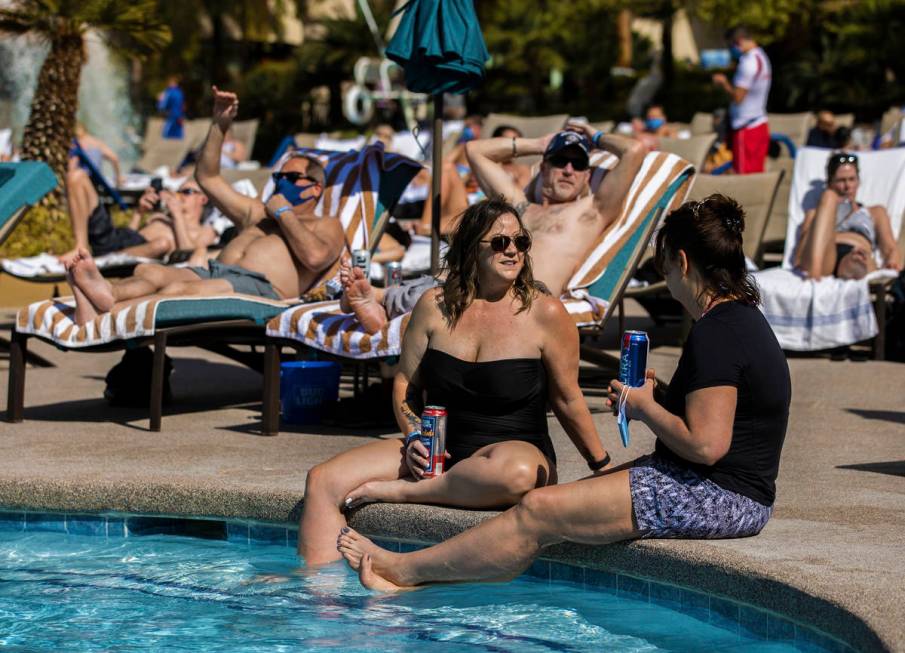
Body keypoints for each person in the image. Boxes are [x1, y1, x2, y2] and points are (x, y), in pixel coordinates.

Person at [335, 194, 793, 591]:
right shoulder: (740, 320)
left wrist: (644, 406)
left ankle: (402, 570)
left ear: (683, 263)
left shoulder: (717, 333)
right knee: (567, 501)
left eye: (664, 267)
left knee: (537, 509)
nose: (667, 280)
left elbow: (707, 445)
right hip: (715, 486)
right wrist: (664, 396)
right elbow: (723, 418)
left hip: (720, 497)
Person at [299, 198, 611, 566]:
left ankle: (404, 493)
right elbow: (404, 386)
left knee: (519, 475)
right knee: (322, 480)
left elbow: (567, 399)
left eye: (520, 242)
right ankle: (318, 601)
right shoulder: (435, 306)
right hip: (440, 450)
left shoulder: (544, 313)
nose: (512, 251)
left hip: (511, 454)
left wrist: (601, 466)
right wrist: (415, 434)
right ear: (470, 250)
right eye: (499, 243)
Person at [63, 86, 346, 326]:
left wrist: (284, 213)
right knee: (148, 272)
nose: (281, 181)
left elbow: (315, 257)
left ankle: (106, 317)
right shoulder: (257, 212)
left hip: (260, 290)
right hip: (215, 273)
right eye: (278, 176)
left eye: (291, 177)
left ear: (315, 188)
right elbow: (207, 177)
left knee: (179, 290)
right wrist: (220, 124)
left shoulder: (326, 225)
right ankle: (106, 293)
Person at [339, 123, 647, 333]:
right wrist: (539, 144)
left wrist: (593, 136)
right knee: (439, 282)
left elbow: (634, 151)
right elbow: (475, 151)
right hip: (472, 281)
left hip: (522, 294)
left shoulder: (590, 211)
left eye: (578, 164)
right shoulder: (522, 205)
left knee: (439, 296)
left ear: (586, 175)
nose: (568, 169)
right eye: (559, 160)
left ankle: (378, 305)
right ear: (544, 166)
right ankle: (375, 298)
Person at [61, 170, 216, 265]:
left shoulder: (206, 231)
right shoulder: (159, 217)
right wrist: (139, 212)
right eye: (178, 191)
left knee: (162, 244)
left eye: (186, 192)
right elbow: (129, 235)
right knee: (77, 177)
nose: (179, 195)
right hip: (114, 241)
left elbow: (187, 253)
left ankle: (100, 257)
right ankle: (79, 247)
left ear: (203, 199)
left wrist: (177, 215)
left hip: (123, 255)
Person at [795, 152, 901, 280]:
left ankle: (840, 273)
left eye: (852, 179)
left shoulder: (876, 212)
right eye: (841, 180)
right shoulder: (814, 214)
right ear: (830, 183)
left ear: (858, 181)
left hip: (859, 255)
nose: (847, 186)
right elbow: (800, 255)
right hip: (824, 257)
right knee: (829, 196)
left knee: (856, 263)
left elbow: (890, 248)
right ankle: (815, 276)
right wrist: (829, 211)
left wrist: (892, 263)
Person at [712, 26, 772, 174]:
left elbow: (738, 97)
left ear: (738, 41)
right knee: (756, 176)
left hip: (746, 128)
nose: (731, 49)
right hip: (759, 122)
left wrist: (724, 83)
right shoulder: (761, 57)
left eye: (731, 45)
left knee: (744, 177)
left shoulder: (748, 63)